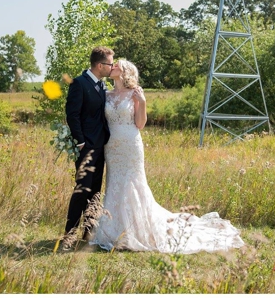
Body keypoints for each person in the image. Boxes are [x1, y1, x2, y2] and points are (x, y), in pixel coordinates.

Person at [90, 59, 245, 254]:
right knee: (114, 183)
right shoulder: (106, 94)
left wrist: (143, 102)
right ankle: (113, 231)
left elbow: (140, 123)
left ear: (126, 71)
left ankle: (138, 231)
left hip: (131, 144)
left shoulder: (135, 93)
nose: (112, 66)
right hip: (112, 147)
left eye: (116, 64)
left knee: (133, 183)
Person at [64, 46, 115, 242]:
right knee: (82, 189)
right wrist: (80, 142)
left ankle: (88, 233)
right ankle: (69, 233)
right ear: (100, 65)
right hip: (86, 147)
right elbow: (72, 114)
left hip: (101, 146)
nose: (112, 67)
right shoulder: (79, 83)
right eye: (110, 64)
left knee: (95, 191)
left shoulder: (102, 86)